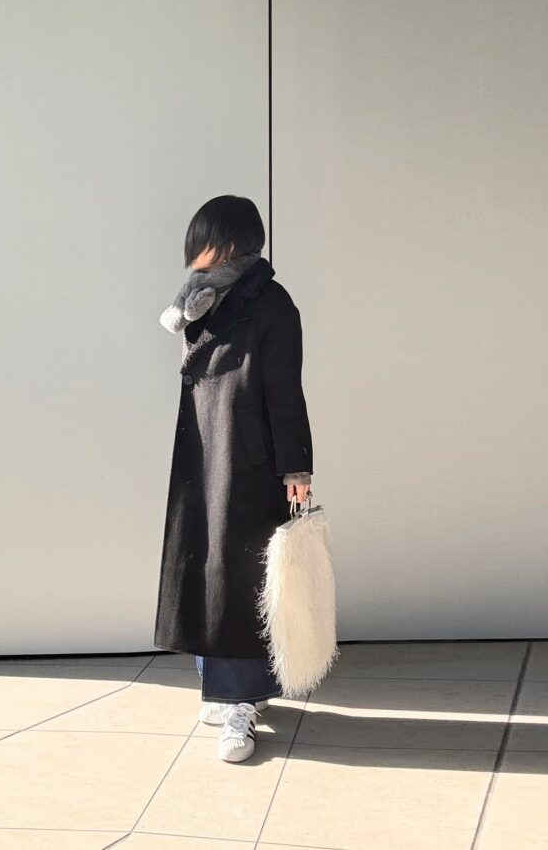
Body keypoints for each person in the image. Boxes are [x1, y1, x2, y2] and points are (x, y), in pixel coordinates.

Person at [154, 195, 313, 762]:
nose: (195, 252)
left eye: (205, 241)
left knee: (239, 575)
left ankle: (240, 703)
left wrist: (295, 466)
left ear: (231, 243)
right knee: (205, 566)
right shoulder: (199, 298)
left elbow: (284, 388)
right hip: (203, 448)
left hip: (249, 457)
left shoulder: (270, 301)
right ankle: (221, 690)